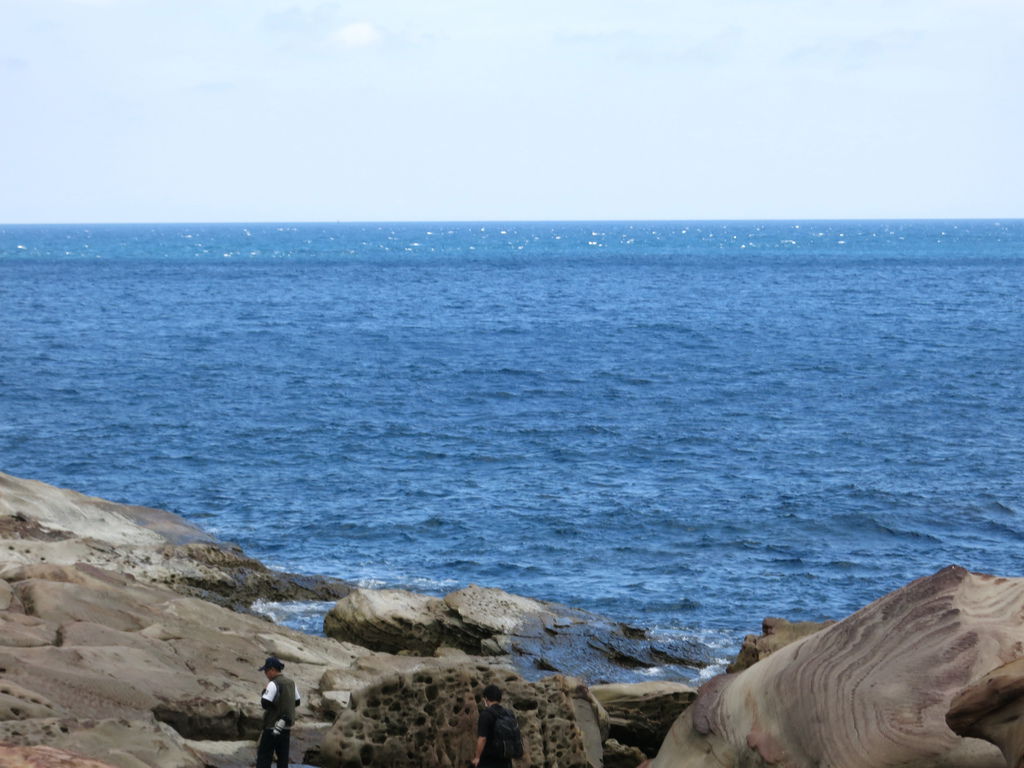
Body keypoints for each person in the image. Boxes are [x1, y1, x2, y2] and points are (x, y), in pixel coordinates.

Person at [256, 656, 299, 768]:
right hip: (286, 728)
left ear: (272, 670)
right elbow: (297, 702)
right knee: (283, 760)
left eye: (266, 671)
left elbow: (265, 703)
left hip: (272, 727)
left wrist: (265, 692)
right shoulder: (291, 683)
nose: (265, 674)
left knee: (264, 758)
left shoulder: (273, 683)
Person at [471, 684, 514, 768]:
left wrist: (477, 757)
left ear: (486, 698)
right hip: (506, 760)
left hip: (489, 760)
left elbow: (482, 738)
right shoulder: (509, 713)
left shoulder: (486, 714)